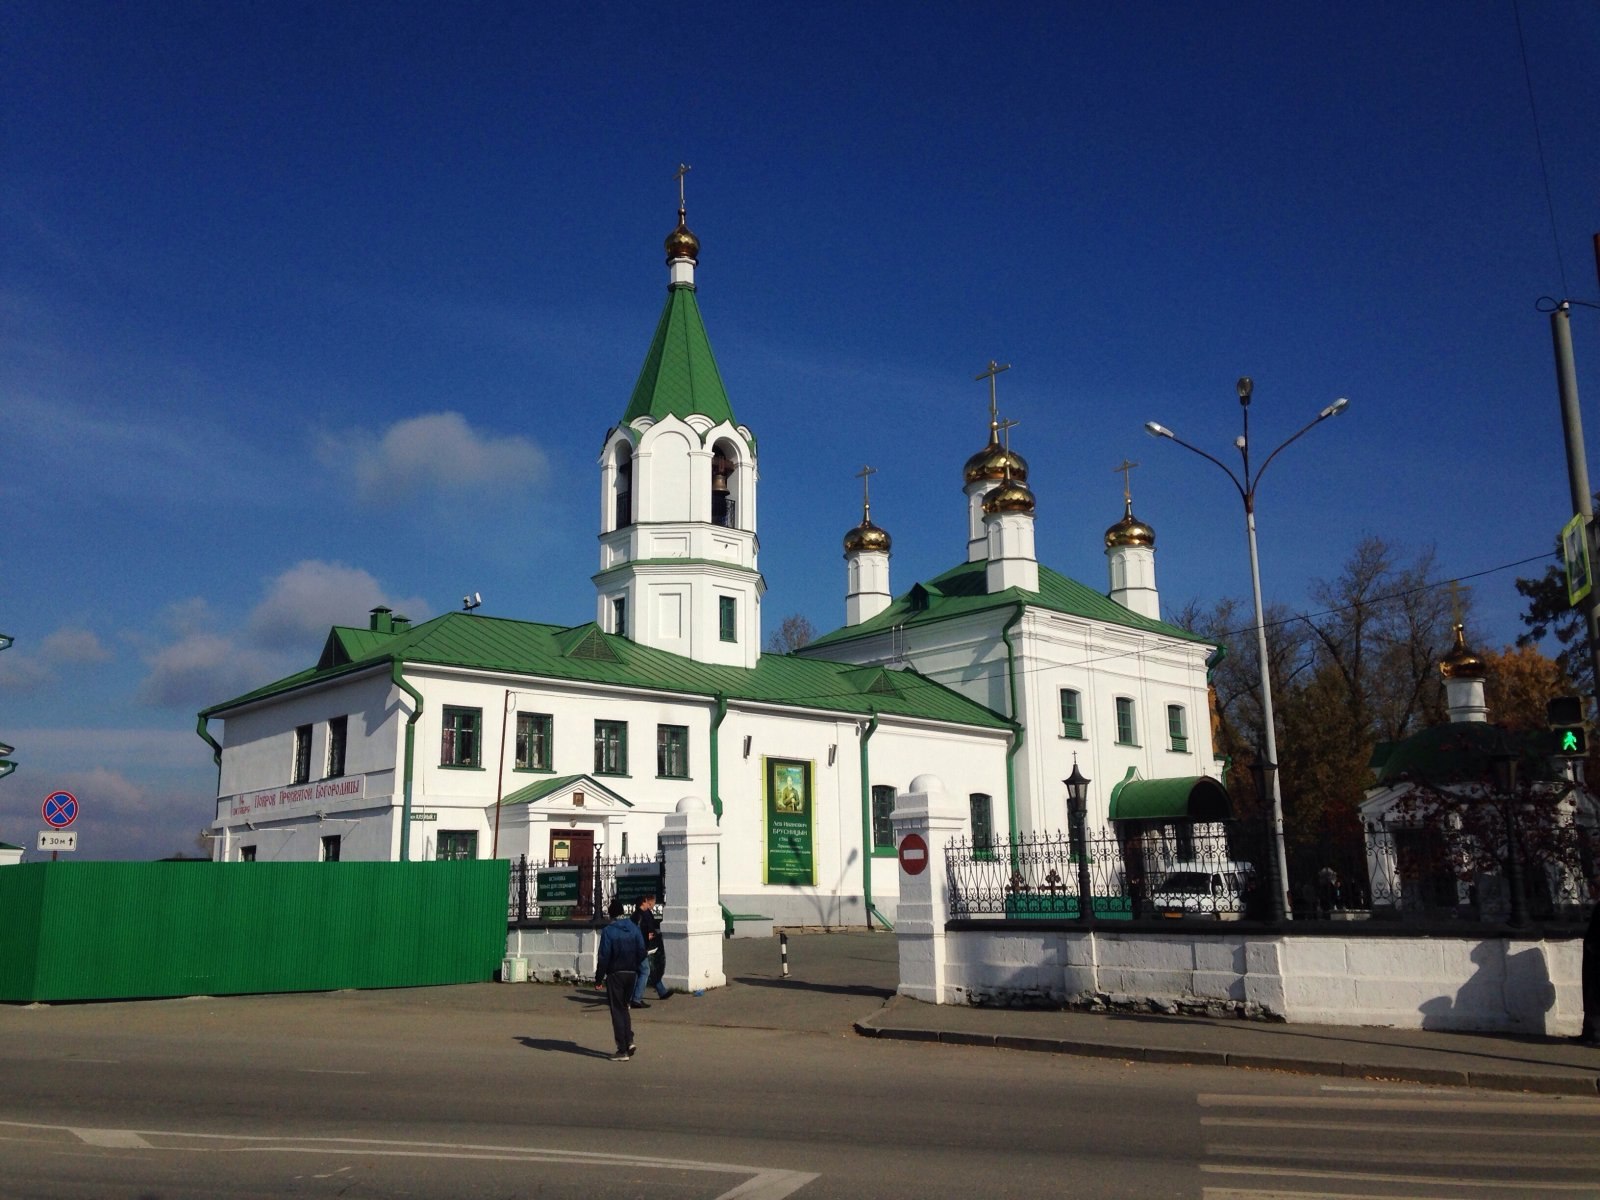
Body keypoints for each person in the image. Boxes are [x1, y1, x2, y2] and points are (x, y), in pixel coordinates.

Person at [594, 896, 646, 1061]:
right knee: (624, 1007)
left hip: (615, 974)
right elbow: (642, 951)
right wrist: (635, 966)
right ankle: (629, 1039)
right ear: (623, 912)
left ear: (611, 915)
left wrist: (598, 979)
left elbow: (604, 956)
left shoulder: (609, 931)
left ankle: (622, 1049)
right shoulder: (633, 927)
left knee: (617, 1010)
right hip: (632, 973)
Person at [630, 894, 671, 1007]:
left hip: (641, 947)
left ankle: (660, 991)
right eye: (647, 902)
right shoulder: (640, 915)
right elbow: (639, 931)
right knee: (646, 971)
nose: (649, 904)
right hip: (641, 947)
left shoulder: (636, 915)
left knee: (643, 970)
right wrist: (647, 936)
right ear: (644, 902)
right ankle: (636, 999)